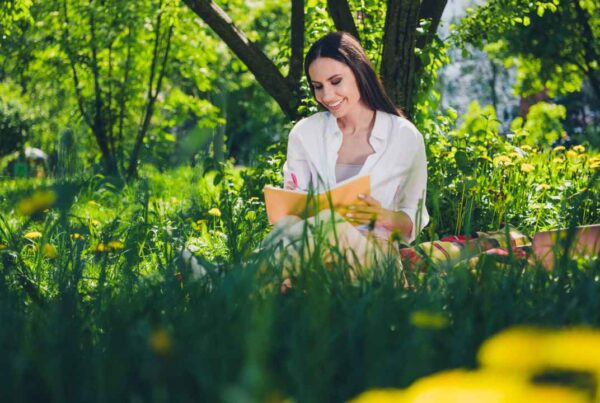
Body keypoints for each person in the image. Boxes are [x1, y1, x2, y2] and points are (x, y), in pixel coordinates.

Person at [263, 32, 429, 278]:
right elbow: (293, 212)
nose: (327, 96)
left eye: (336, 81)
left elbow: (412, 224)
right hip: (312, 256)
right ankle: (253, 284)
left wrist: (381, 216)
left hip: (375, 260)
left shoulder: (404, 136)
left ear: (359, 72)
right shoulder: (305, 133)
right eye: (318, 87)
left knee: (332, 224)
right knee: (289, 225)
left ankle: (227, 282)